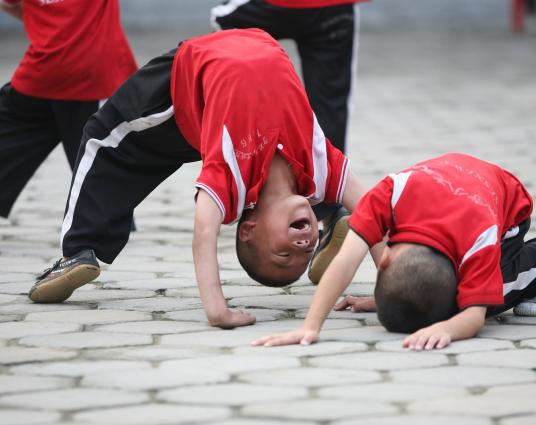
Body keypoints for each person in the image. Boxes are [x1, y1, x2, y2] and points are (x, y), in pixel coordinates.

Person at [29, 28, 379, 330]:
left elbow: (204, 232)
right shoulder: (319, 168)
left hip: (191, 75)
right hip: (228, 55)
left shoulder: (234, 177)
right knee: (138, 146)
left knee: (102, 139)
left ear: (248, 228)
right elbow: (375, 214)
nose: (302, 250)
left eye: (283, 256)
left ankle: (78, 251)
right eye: (305, 256)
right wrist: (387, 291)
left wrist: (216, 309)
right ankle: (332, 219)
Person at [253, 153, 536, 350]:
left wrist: (446, 326)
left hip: (506, 209)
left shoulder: (480, 237)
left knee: (487, 297)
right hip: (457, 180)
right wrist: (311, 325)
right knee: (442, 296)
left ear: (385, 257)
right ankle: (424, 296)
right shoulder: (391, 191)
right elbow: (346, 260)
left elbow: (474, 316)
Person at [211, 0, 368, 283]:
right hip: (332, 7)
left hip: (263, 5)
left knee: (229, 55)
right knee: (331, 102)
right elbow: (375, 215)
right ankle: (331, 206)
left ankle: (257, 172)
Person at [0, 0, 137, 218]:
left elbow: (9, 4)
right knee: (97, 163)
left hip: (41, 75)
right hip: (90, 77)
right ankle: (102, 225)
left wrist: (49, 22)